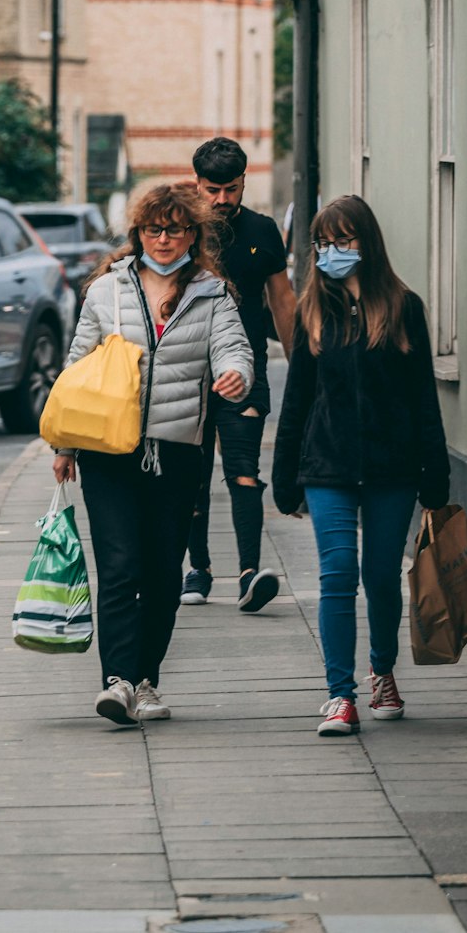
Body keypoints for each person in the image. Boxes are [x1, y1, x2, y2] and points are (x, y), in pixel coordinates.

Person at [53, 182, 253, 727]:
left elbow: (234, 346)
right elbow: (79, 362)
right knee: (119, 566)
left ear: (194, 233)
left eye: (176, 228)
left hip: (179, 449)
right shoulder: (107, 291)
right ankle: (117, 681)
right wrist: (64, 442)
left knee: (163, 569)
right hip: (107, 448)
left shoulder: (212, 292)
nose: (164, 239)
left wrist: (237, 374)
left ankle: (146, 680)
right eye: (153, 229)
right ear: (138, 232)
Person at [272, 194, 450, 737]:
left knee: (379, 577)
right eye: (323, 243)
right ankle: (339, 695)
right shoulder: (313, 312)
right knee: (338, 577)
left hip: (392, 470)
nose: (331, 252)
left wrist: (434, 474)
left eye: (342, 241)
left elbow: (423, 397)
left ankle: (382, 670)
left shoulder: (403, 308)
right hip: (328, 467)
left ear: (365, 243)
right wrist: (285, 476)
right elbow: (298, 397)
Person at [181, 137, 297, 613]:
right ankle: (199, 568)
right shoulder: (180, 231)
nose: (223, 199)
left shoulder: (263, 230)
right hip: (187, 371)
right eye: (213, 190)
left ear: (245, 182)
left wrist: (300, 370)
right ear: (197, 185)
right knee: (191, 473)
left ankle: (249, 573)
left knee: (244, 471)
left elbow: (283, 301)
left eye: (231, 189)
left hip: (246, 368)